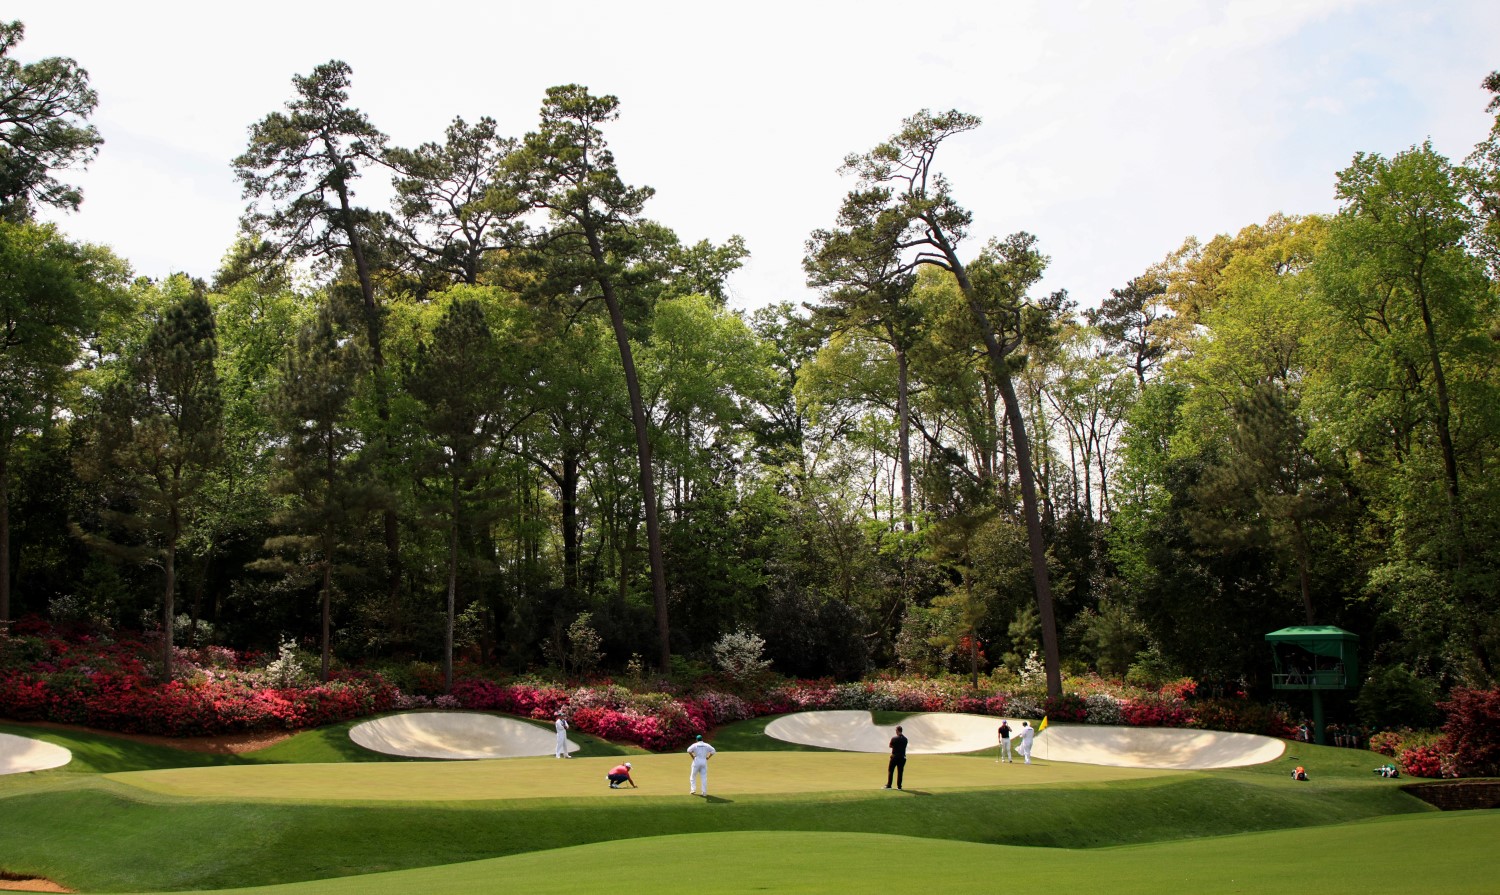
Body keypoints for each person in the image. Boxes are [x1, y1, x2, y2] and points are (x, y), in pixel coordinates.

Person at [885, 725, 908, 789]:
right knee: (900, 772)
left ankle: (889, 785)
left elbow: (890, 746)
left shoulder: (894, 738)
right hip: (902, 757)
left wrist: (895, 747)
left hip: (895, 757)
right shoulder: (905, 739)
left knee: (891, 770)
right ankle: (899, 786)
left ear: (897, 731)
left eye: (896, 730)